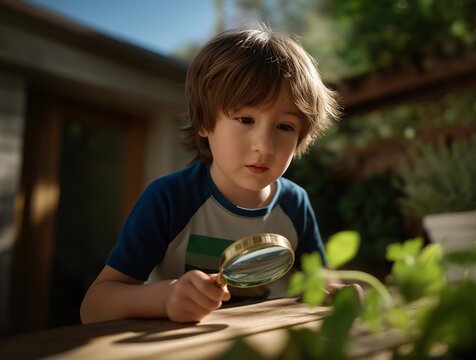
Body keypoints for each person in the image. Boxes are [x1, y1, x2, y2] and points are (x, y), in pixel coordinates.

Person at [80, 26, 342, 324]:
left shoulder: (296, 204)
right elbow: (94, 306)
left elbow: (321, 282)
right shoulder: (169, 199)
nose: (265, 146)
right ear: (205, 123)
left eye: (284, 127)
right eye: (246, 119)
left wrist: (337, 293)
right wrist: (166, 297)